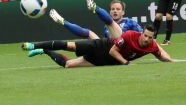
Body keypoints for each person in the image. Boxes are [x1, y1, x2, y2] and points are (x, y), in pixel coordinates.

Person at [21, 23, 172, 69]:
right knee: (70, 46)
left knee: (67, 64)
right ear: (141, 33)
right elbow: (113, 51)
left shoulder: (151, 45)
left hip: (103, 61)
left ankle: (45, 50)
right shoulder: (129, 35)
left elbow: (162, 55)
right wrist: (126, 62)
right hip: (101, 47)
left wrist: (172, 61)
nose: (146, 39)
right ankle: (33, 45)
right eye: (145, 35)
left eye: (150, 37)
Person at [49, 0, 143, 40]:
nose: (115, 11)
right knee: (89, 33)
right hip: (111, 50)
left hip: (124, 48)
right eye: (113, 9)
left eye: (118, 9)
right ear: (109, 11)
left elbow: (143, 35)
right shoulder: (106, 26)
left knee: (110, 22)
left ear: (123, 12)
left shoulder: (129, 22)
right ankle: (63, 22)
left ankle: (94, 6)